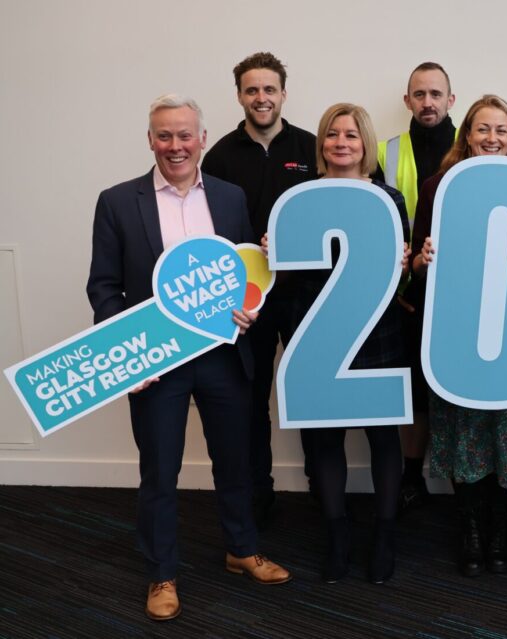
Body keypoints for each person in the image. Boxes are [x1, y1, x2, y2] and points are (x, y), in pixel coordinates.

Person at [86, 94, 291, 622]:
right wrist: (127, 356)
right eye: (164, 135)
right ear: (150, 139)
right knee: (160, 469)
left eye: (184, 135)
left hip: (223, 355)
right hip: (158, 362)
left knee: (235, 460)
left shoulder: (228, 196)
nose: (175, 146)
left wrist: (251, 302)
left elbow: (247, 271)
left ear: (202, 139)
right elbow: (105, 288)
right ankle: (162, 573)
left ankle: (241, 549)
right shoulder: (116, 201)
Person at [279, 103, 411, 584]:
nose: (341, 142)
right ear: (321, 144)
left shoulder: (390, 200)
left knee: (382, 436)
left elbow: (398, 274)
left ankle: (385, 532)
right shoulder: (298, 199)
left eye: (351, 135)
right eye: (332, 134)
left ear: (366, 143)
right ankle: (336, 535)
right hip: (317, 333)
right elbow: (290, 278)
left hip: (377, 333)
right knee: (323, 439)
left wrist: (404, 262)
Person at [411, 95, 507, 577]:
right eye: (483, 129)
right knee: (463, 430)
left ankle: (500, 526)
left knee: (506, 429)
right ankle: (471, 528)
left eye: (501, 130)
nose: (492, 139)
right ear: (467, 135)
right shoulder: (439, 186)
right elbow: (417, 269)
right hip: (456, 332)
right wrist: (425, 258)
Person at [202, 52, 318, 526]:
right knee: (250, 399)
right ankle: (258, 494)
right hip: (245, 301)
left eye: (269, 89)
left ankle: (320, 488)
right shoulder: (220, 157)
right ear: (239, 96)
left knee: (311, 393)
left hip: (305, 294)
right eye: (252, 90)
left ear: (284, 93)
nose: (261, 98)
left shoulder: (312, 147)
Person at [377, 62, 458, 509]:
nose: (428, 102)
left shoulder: (475, 143)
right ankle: (412, 473)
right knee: (412, 388)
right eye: (419, 94)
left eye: (436, 94)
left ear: (451, 99)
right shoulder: (385, 151)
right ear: (407, 100)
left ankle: (465, 472)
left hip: (459, 289)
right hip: (405, 292)